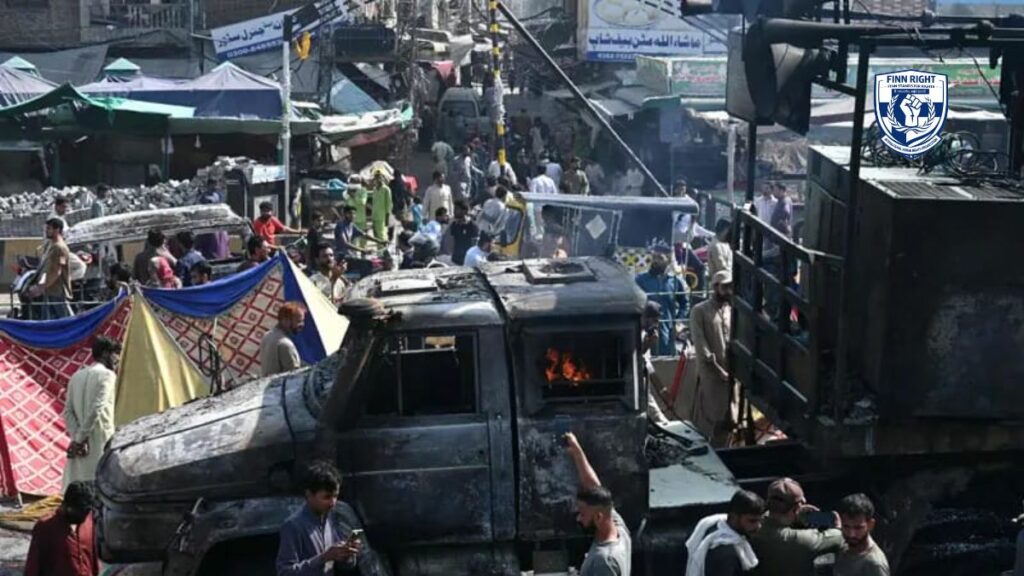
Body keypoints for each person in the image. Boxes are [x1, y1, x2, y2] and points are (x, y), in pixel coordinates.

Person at [277, 460, 382, 576]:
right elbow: (285, 572)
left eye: (335, 496)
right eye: (326, 497)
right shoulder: (293, 526)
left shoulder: (330, 519)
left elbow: (344, 566)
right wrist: (323, 558)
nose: (333, 502)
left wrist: (347, 554)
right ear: (309, 494)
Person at [563, 432, 631, 576]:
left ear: (599, 517)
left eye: (582, 514)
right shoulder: (619, 528)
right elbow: (594, 488)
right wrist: (577, 452)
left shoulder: (604, 562)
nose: (578, 519)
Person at [748, 477, 843, 576]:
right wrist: (837, 525)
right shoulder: (803, 539)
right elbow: (839, 536)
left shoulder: (751, 527)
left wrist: (796, 519)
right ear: (796, 508)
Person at [62, 336, 120, 488]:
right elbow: (97, 408)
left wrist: (76, 439)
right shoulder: (108, 376)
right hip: (99, 443)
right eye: (115, 354)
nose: (117, 359)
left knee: (78, 491)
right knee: (99, 491)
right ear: (105, 353)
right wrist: (81, 438)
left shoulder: (76, 376)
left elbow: (68, 412)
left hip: (79, 448)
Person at [688, 270, 734, 447]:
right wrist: (718, 370)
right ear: (715, 287)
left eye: (730, 286)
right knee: (711, 417)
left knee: (730, 419)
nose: (729, 291)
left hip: (730, 373)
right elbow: (701, 346)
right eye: (725, 287)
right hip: (712, 374)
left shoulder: (730, 309)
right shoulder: (699, 311)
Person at [24, 482, 99, 576]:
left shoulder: (88, 520)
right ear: (66, 506)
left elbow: (93, 558)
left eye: (86, 513)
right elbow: (33, 567)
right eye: (78, 512)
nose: (83, 517)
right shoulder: (45, 527)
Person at [685, 490, 765, 576]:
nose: (758, 526)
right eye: (752, 521)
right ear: (734, 517)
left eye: (760, 520)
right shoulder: (726, 554)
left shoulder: (714, 524)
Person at [635, 243, 688, 357]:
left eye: (660, 258)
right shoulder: (640, 280)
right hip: (647, 329)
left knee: (668, 363)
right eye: (654, 257)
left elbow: (684, 303)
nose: (656, 261)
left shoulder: (675, 281)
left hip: (668, 329)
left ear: (668, 260)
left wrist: (678, 322)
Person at [835, 494, 890, 576]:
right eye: (846, 526)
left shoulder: (874, 564)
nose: (851, 534)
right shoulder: (844, 547)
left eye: (858, 528)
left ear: (870, 525)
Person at [29, 218, 73, 320]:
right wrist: (41, 285)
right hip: (49, 291)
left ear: (57, 230)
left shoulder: (60, 248)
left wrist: (41, 288)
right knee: (47, 323)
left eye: (49, 228)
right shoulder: (51, 245)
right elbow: (46, 270)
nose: (46, 231)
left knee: (67, 320)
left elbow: (56, 272)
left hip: (57, 292)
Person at [334, 205, 385, 277]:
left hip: (350, 255)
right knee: (367, 263)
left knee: (377, 263)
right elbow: (345, 243)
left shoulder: (351, 225)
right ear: (345, 214)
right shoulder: (340, 225)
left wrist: (380, 241)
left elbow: (364, 235)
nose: (353, 215)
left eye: (354, 213)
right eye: (350, 213)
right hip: (342, 257)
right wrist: (362, 250)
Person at [261, 302, 305, 376]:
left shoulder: (267, 336)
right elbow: (294, 375)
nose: (302, 325)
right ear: (286, 320)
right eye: (298, 321)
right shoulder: (285, 344)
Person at [195, 178, 230, 260]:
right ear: (208, 185)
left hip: (225, 260)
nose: (215, 186)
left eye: (216, 184)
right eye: (213, 184)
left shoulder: (218, 195)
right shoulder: (204, 196)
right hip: (208, 222)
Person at [443, 200, 479, 265]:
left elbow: (475, 245)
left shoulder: (472, 226)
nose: (454, 211)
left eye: (457, 209)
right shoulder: (454, 225)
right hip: (455, 260)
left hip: (468, 261)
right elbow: (451, 242)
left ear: (464, 211)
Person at [369, 170, 394, 245]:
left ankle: (384, 251)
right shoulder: (374, 189)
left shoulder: (386, 189)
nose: (377, 179)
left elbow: (389, 204)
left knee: (382, 234)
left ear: (382, 178)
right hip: (374, 216)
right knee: (376, 236)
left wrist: (387, 216)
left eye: (379, 177)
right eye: (376, 177)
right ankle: (380, 252)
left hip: (382, 216)